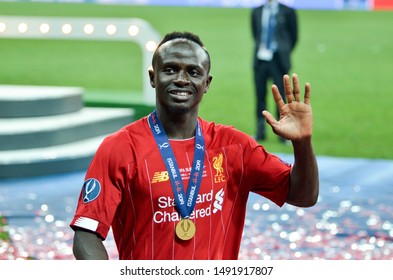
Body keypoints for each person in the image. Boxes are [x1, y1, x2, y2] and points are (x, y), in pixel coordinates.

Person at [70, 31, 318, 260]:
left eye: (193, 72)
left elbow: (303, 195)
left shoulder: (235, 147)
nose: (181, 79)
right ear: (152, 77)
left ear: (207, 83)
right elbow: (86, 233)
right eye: (170, 69)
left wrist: (302, 143)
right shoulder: (120, 148)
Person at [251, 0, 298, 142]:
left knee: (281, 98)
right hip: (261, 60)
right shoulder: (257, 11)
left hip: (279, 61)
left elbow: (294, 36)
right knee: (260, 96)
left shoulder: (288, 11)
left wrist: (283, 50)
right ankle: (260, 132)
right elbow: (255, 34)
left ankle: (283, 133)